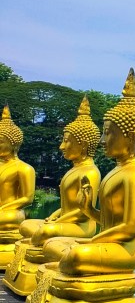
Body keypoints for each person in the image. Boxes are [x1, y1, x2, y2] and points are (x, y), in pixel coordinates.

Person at [42, 70, 135, 275]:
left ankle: (69, 264)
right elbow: (109, 223)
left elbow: (130, 228)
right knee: (51, 244)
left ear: (131, 137)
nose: (102, 140)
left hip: (126, 251)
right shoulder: (117, 171)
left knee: (74, 255)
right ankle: (67, 263)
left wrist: (90, 242)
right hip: (107, 242)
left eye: (108, 134)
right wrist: (89, 210)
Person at [20, 97, 101, 245]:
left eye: (66, 141)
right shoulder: (74, 169)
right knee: (26, 225)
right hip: (65, 222)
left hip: (81, 226)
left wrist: (56, 222)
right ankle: (39, 244)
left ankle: (38, 246)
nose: (61, 147)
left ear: (83, 144)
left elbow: (83, 213)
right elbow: (66, 207)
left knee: (44, 231)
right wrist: (54, 216)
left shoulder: (90, 172)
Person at [0, 105, 36, 259]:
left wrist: (3, 208)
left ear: (13, 143)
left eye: (1, 141)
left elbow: (27, 198)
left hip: (11, 212)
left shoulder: (24, 168)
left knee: (8, 219)